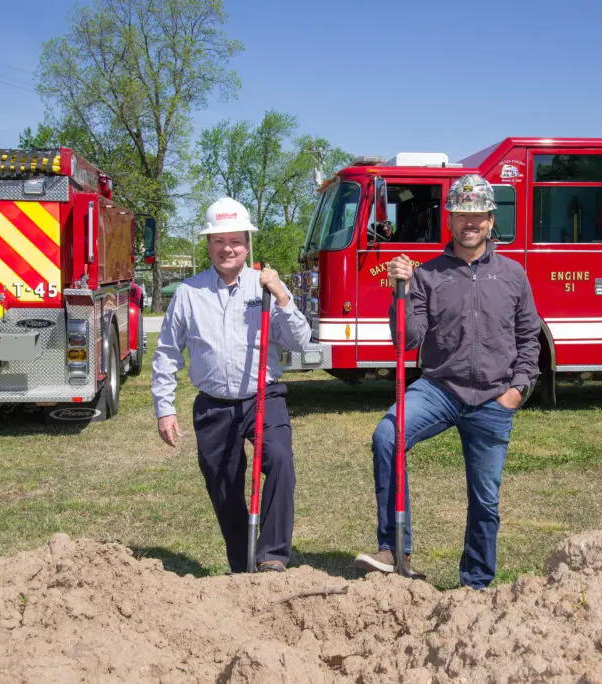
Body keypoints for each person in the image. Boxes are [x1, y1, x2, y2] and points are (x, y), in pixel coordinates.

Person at [354, 174, 542, 589]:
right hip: (439, 389)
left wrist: (517, 390)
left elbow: (530, 337)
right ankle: (394, 548)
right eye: (461, 215)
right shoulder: (428, 276)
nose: (469, 223)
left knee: (485, 500)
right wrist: (398, 292)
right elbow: (407, 342)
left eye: (477, 216)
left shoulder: (512, 275)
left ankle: (475, 583)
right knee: (388, 436)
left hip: (494, 398)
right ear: (450, 220)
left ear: (491, 221)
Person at [151, 197, 311, 573]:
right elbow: (167, 353)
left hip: (263, 397)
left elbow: (301, 342)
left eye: (236, 241)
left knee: (281, 462)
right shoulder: (189, 294)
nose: (228, 249)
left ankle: (272, 556)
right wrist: (165, 407)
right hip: (213, 404)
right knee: (223, 486)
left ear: (247, 243)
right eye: (220, 241)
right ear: (208, 245)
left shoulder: (265, 286)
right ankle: (242, 564)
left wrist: (283, 296)